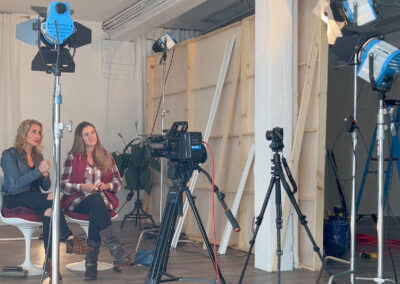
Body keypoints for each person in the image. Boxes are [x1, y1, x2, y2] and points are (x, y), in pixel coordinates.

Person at [1, 119, 92, 280]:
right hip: (13, 199)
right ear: (24, 133)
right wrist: (37, 171)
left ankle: (50, 264)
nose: (38, 135)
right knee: (52, 199)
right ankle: (70, 239)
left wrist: (45, 174)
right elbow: (14, 185)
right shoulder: (9, 154)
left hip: (35, 199)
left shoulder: (37, 155)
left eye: (40, 132)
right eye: (33, 131)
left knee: (50, 212)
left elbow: (45, 186)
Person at [60, 121, 131, 281]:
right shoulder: (73, 157)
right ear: (80, 138)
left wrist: (106, 184)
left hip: (101, 200)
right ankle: (114, 246)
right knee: (95, 201)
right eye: (86, 134)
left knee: (96, 208)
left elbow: (118, 182)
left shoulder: (106, 156)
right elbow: (63, 185)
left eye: (93, 132)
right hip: (78, 200)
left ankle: (91, 266)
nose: (91, 136)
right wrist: (83, 186)